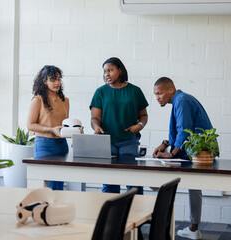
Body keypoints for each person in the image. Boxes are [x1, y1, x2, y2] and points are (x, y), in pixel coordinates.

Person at [153, 77, 213, 240]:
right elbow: (181, 129)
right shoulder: (181, 99)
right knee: (193, 186)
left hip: (195, 152)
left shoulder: (181, 101)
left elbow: (184, 130)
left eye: (159, 93)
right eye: (155, 94)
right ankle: (193, 229)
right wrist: (165, 144)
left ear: (170, 90)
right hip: (192, 151)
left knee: (156, 177)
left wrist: (171, 153)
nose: (157, 97)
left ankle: (163, 224)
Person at [90, 57, 149, 194]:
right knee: (110, 183)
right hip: (107, 142)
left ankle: (135, 213)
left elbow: (144, 116)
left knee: (133, 183)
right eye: (105, 71)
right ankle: (111, 215)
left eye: (110, 70)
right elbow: (94, 118)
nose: (107, 74)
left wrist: (139, 125)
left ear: (120, 70)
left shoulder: (135, 91)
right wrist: (96, 127)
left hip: (129, 141)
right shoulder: (101, 92)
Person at [27, 65, 69, 191]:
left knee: (58, 183)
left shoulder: (65, 100)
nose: (57, 83)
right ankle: (44, 209)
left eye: (59, 79)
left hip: (62, 143)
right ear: (45, 81)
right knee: (44, 183)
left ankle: (57, 209)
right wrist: (50, 129)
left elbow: (64, 124)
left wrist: (74, 129)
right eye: (53, 79)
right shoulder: (38, 100)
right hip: (44, 144)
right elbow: (30, 125)